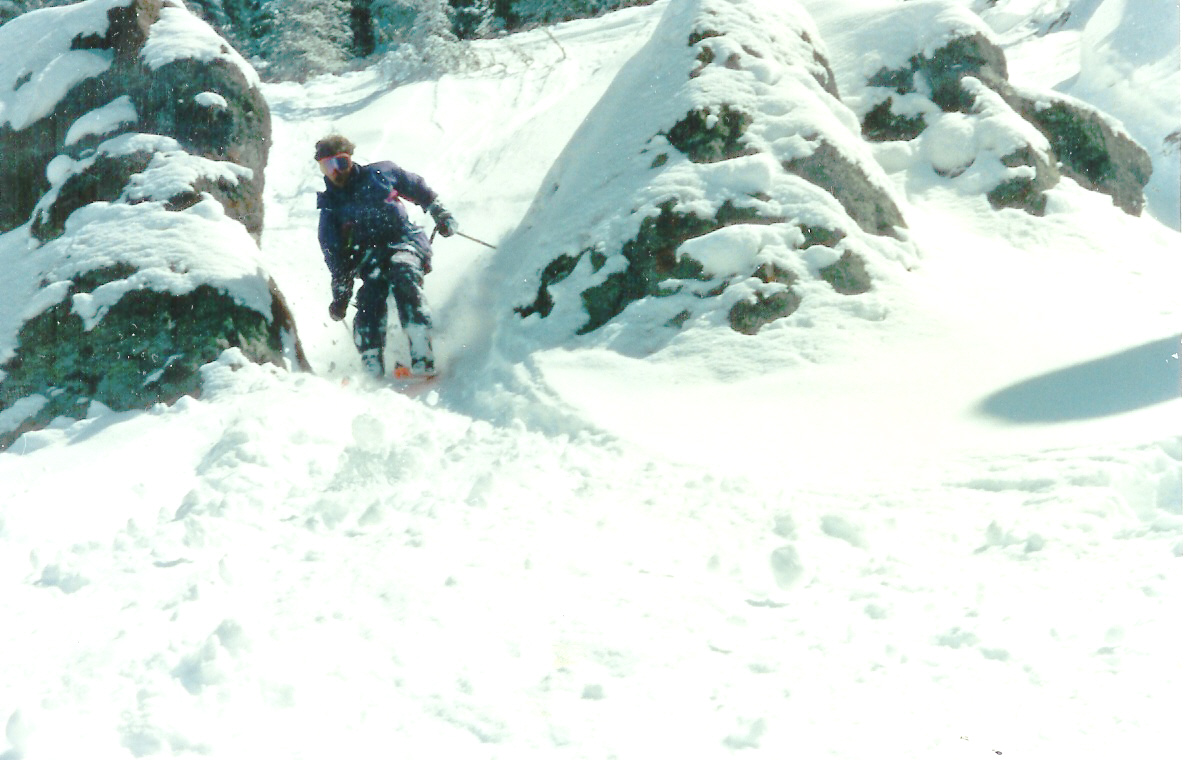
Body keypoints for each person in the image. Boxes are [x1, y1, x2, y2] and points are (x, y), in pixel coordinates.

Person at [314, 134, 457, 378]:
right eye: (328, 166)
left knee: (402, 271)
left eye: (341, 162)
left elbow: (417, 188)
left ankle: (421, 346)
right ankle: (371, 358)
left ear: (351, 159)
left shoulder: (380, 174)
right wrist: (341, 296)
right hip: (369, 256)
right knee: (371, 294)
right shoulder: (330, 208)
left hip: (405, 241)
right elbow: (335, 257)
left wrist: (439, 212)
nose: (336, 172)